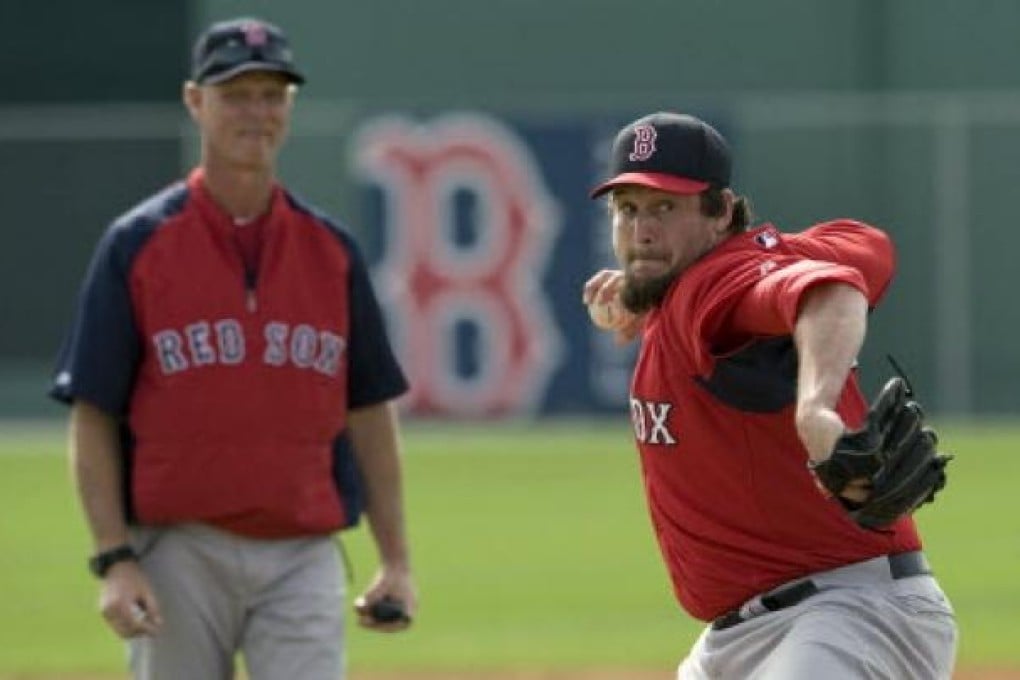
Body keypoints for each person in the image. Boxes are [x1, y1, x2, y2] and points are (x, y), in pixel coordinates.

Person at [49, 17, 416, 679]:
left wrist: (395, 560)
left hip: (303, 550)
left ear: (291, 107)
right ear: (195, 101)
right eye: (236, 93)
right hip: (177, 549)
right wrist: (114, 558)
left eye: (272, 94)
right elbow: (93, 412)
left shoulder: (329, 252)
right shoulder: (136, 246)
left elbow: (368, 409)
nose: (257, 111)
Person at [583, 112, 957, 679]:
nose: (642, 232)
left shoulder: (711, 289)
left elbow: (831, 290)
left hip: (841, 617)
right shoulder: (712, 276)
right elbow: (865, 246)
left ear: (721, 213)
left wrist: (816, 408)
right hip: (749, 637)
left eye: (665, 207)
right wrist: (643, 293)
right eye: (627, 209)